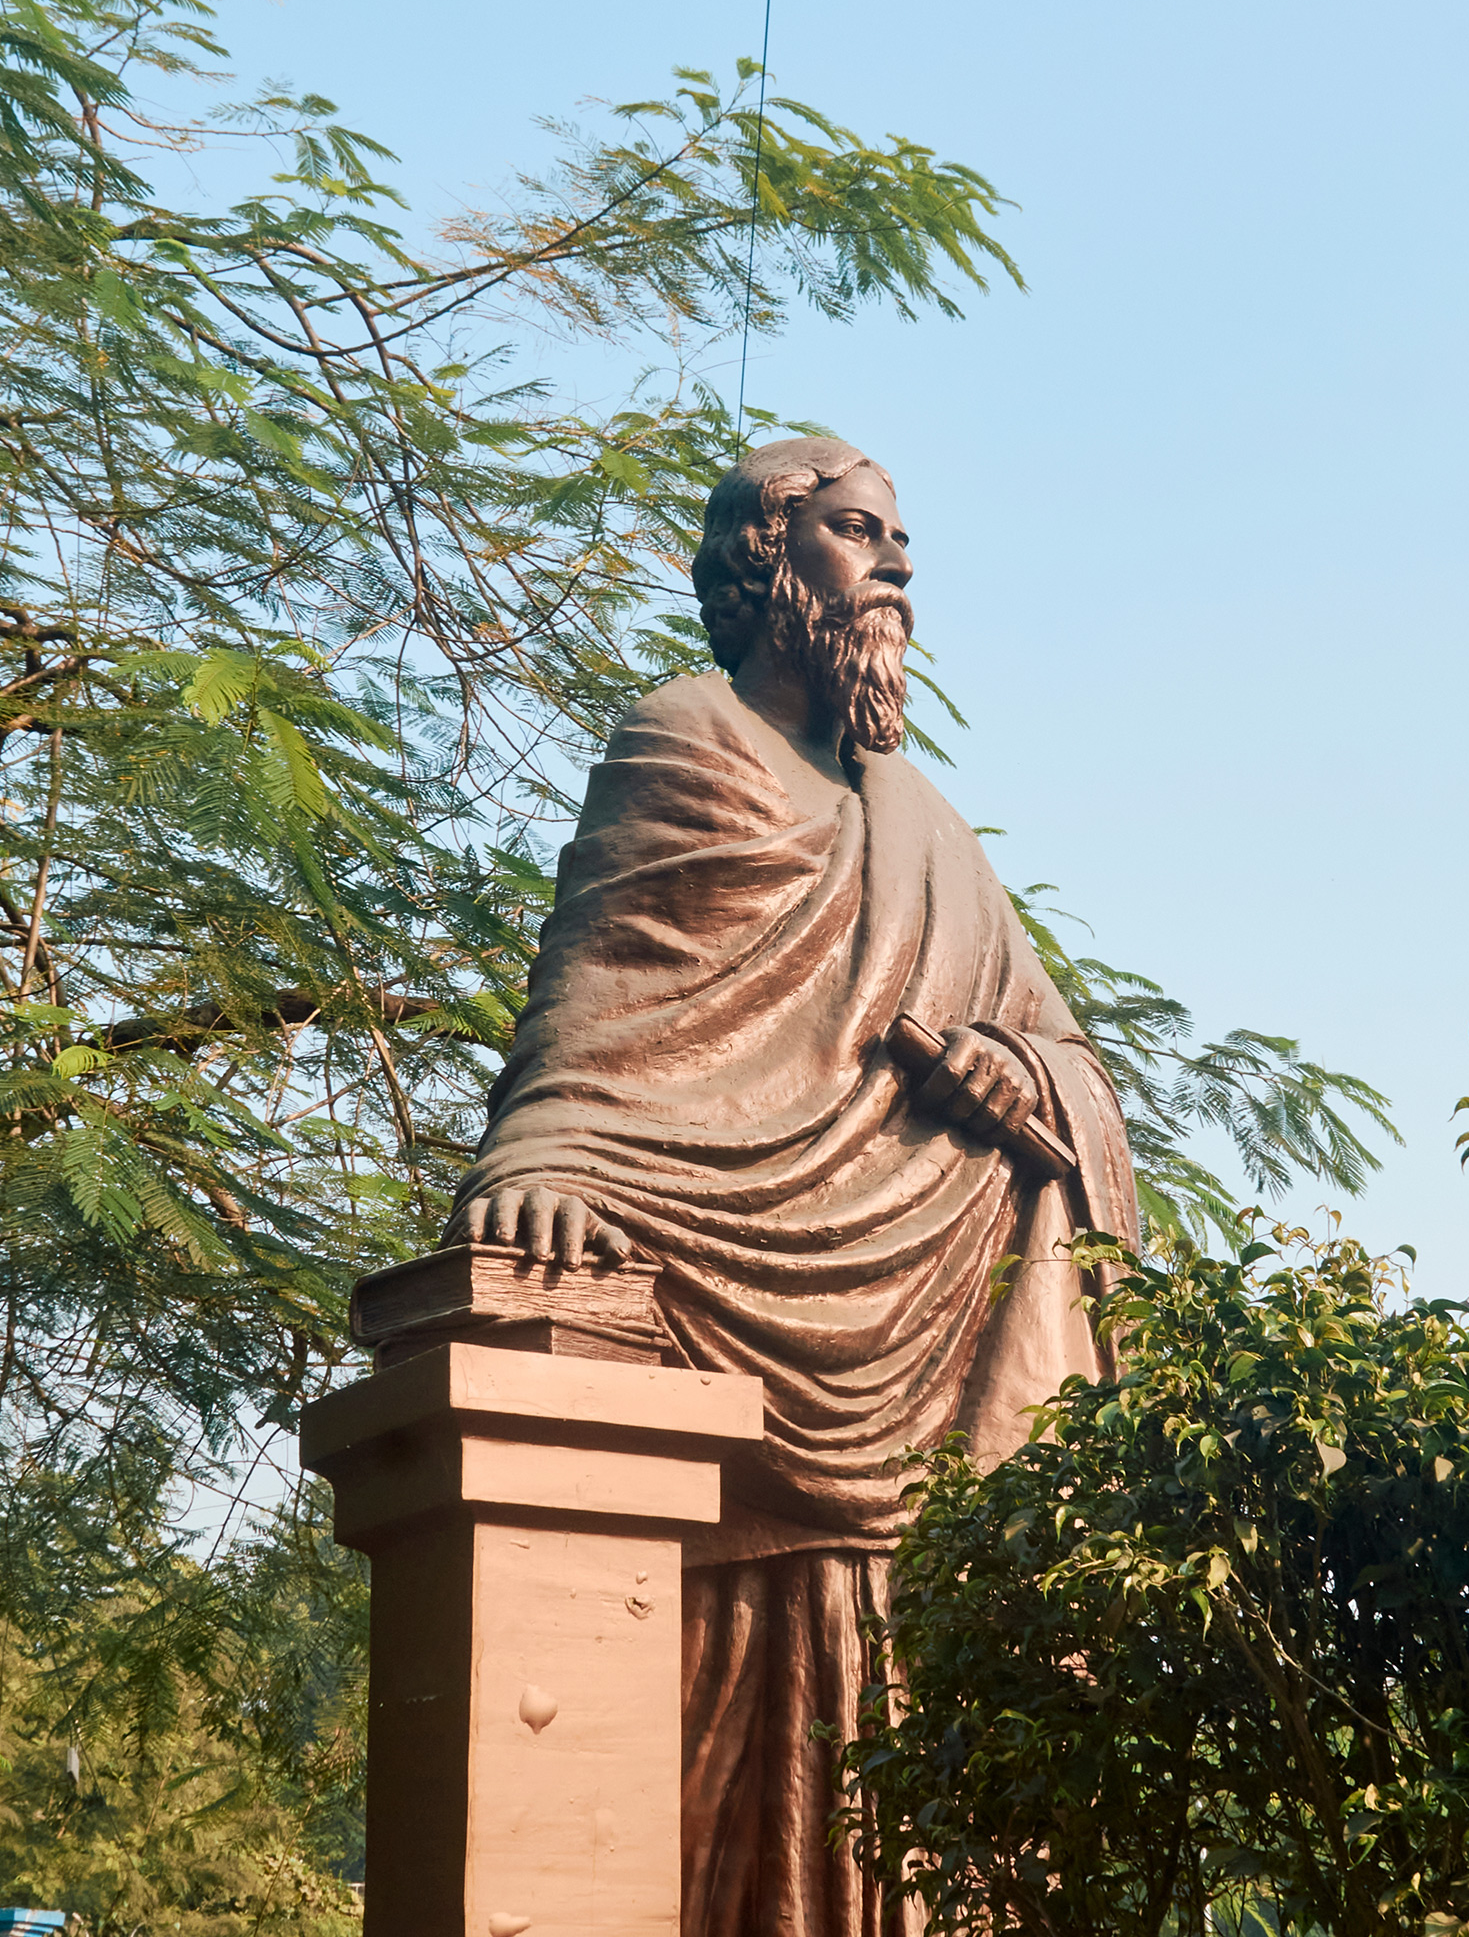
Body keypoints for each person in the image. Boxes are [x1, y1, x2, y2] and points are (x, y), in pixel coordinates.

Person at [454, 435, 1141, 1937]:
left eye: (898, 536)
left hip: (934, 1329)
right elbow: (605, 1000)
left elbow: (1074, 1062)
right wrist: (547, 1152)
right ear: (767, 564)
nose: (897, 561)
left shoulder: (928, 827)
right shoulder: (682, 741)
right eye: (857, 529)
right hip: (734, 1293)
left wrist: (1017, 1079)